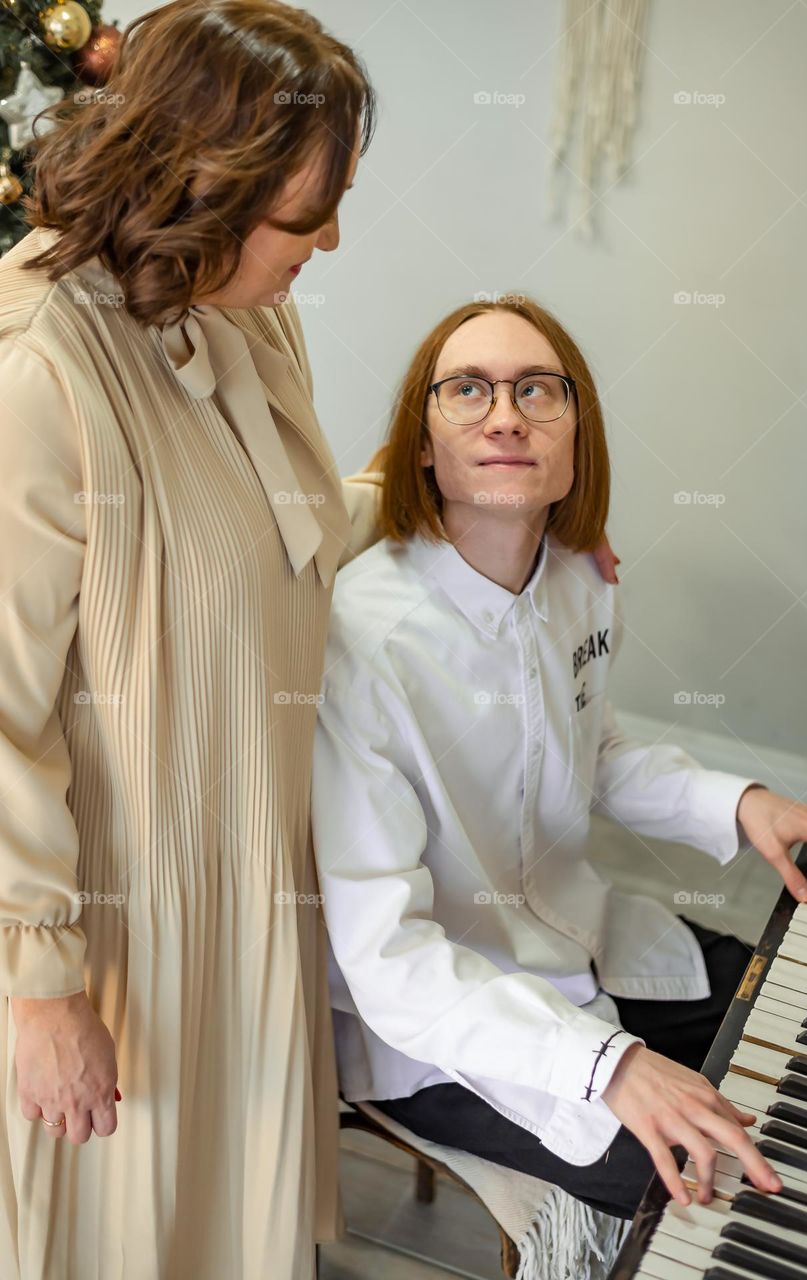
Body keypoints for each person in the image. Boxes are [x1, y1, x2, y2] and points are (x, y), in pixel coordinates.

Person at [311, 295, 807, 1219]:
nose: (507, 414)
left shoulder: (579, 578)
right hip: (444, 1025)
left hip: (581, 936)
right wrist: (607, 1066)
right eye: (468, 391)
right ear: (423, 445)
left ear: (576, 439)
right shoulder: (360, 643)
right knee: (719, 1183)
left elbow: (592, 753)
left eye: (537, 391)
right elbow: (389, 958)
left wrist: (739, 803)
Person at [0, 3, 379, 1276]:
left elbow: (283, 541)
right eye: (302, 213)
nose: (328, 239)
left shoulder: (249, 316)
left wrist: (477, 503)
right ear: (193, 189)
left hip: (252, 906)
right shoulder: (37, 372)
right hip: (116, 943)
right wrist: (41, 987)